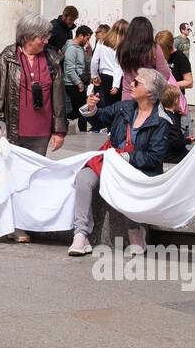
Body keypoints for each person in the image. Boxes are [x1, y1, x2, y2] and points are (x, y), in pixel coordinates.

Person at [0, 13, 68, 244]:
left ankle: (17, 224)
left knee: (27, 179)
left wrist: (59, 129)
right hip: (9, 129)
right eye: (42, 36)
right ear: (28, 37)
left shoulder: (52, 59)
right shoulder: (8, 57)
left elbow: (59, 95)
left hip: (40, 131)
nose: (46, 40)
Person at [70, 68, 175, 256]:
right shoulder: (125, 107)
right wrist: (92, 108)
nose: (131, 84)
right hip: (112, 162)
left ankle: (135, 233)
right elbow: (101, 118)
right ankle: (81, 234)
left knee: (125, 185)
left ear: (150, 92)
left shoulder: (161, 121)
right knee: (83, 178)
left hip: (139, 169)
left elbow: (155, 157)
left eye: (137, 82)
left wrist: (127, 157)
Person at [116, 16, 174, 101]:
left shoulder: (122, 48)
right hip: (148, 95)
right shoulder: (154, 49)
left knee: (128, 113)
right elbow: (164, 74)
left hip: (128, 93)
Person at [89, 19, 127, 109]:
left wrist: (94, 75)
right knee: (116, 107)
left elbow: (94, 61)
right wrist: (116, 85)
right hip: (117, 78)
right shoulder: (121, 44)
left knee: (104, 105)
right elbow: (118, 66)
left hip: (103, 76)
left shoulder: (101, 41)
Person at [63, 25, 94, 133]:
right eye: (87, 38)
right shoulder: (71, 49)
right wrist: (78, 83)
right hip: (72, 84)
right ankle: (83, 131)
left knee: (78, 110)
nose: (87, 41)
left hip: (79, 83)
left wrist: (89, 53)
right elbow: (70, 69)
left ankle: (63, 120)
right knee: (82, 109)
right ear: (80, 35)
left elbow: (85, 64)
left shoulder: (80, 48)